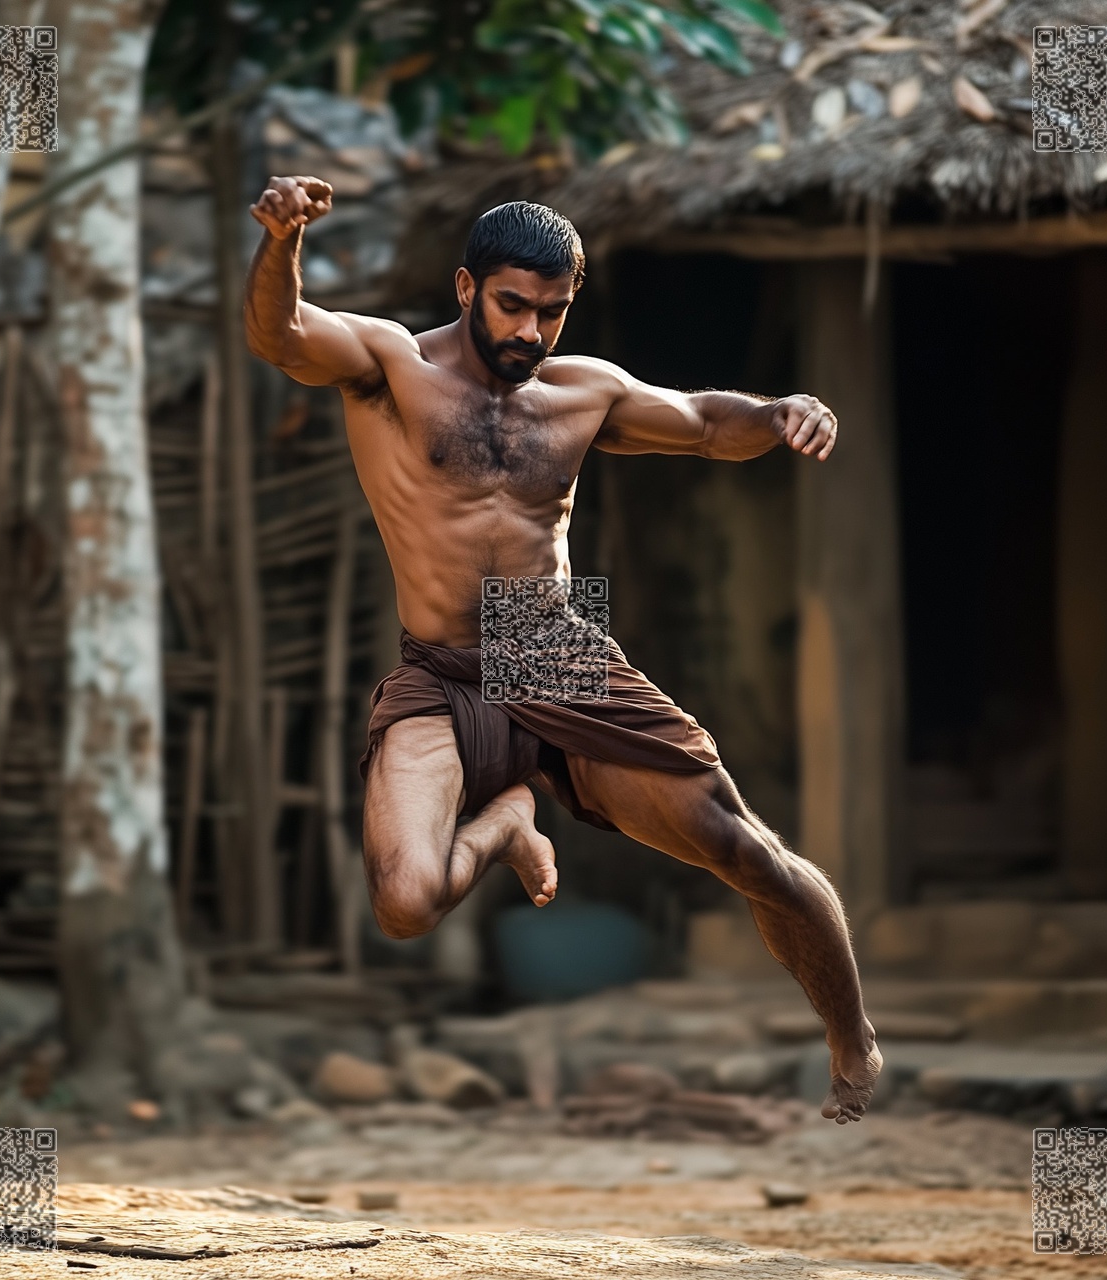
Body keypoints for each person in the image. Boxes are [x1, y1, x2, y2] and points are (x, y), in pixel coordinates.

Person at [245, 177, 882, 1124]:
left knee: (743, 850)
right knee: (407, 904)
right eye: (512, 306)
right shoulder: (391, 366)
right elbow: (283, 336)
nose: (530, 332)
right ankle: (503, 823)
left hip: (548, 647)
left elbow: (709, 424)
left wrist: (784, 408)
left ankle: (852, 1040)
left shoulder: (583, 394)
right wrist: (283, 240)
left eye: (552, 312)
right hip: (441, 663)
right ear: (466, 287)